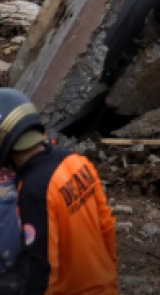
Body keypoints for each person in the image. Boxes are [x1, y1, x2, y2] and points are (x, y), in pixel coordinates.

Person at [0, 88, 116, 294]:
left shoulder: (34, 189)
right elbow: (106, 226)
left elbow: (40, 266)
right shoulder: (77, 162)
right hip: (103, 285)